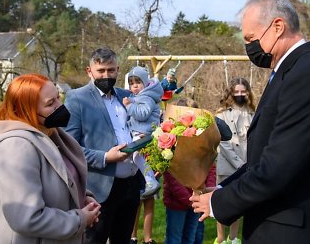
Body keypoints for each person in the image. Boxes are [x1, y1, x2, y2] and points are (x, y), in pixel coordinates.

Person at [190, 0, 310, 244]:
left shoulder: (307, 77)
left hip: (293, 232)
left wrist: (219, 203)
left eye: (251, 38)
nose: (250, 47)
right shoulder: (290, 72)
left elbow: (278, 167)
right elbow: (262, 158)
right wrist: (222, 189)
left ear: (277, 26)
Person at [0, 73, 101, 244]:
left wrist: (82, 198)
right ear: (26, 110)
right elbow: (27, 217)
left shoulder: (50, 133)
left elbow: (63, 177)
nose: (60, 106)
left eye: (58, 98)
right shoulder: (15, 147)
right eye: (50, 103)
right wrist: (79, 219)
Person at [65, 47, 143, 244]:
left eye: (111, 70)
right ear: (89, 71)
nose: (106, 75)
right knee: (94, 241)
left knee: (122, 240)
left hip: (131, 184)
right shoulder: (77, 99)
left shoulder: (125, 96)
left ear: (118, 69)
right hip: (99, 188)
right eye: (101, 71)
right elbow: (69, 147)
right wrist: (105, 157)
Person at [163, 98, 231, 244]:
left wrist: (205, 191)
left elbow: (210, 167)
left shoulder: (202, 142)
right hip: (178, 203)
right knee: (174, 238)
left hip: (199, 198)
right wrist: (189, 200)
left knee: (192, 237)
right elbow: (172, 177)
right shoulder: (168, 143)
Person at [123, 66, 163, 244]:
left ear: (145, 83)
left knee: (136, 156)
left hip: (143, 135)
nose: (134, 86)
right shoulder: (141, 96)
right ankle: (134, 235)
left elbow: (143, 113)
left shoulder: (146, 97)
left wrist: (129, 106)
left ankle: (150, 180)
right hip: (138, 134)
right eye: (131, 83)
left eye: (138, 82)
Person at [214, 77, 255, 244]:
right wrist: (240, 165)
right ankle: (221, 238)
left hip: (247, 163)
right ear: (231, 93)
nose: (239, 94)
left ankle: (234, 238)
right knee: (222, 201)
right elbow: (223, 143)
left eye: (242, 91)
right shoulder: (221, 114)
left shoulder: (252, 113)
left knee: (239, 202)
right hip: (228, 164)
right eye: (236, 91)